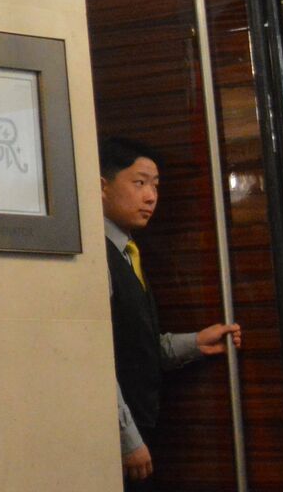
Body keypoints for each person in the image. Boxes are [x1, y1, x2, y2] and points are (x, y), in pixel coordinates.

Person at [98, 136, 241, 488]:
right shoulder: (97, 256)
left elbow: (135, 346)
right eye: (139, 183)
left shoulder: (128, 252)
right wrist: (128, 439)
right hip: (115, 438)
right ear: (102, 187)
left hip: (143, 424)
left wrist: (196, 342)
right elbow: (96, 359)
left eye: (155, 186)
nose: (151, 196)